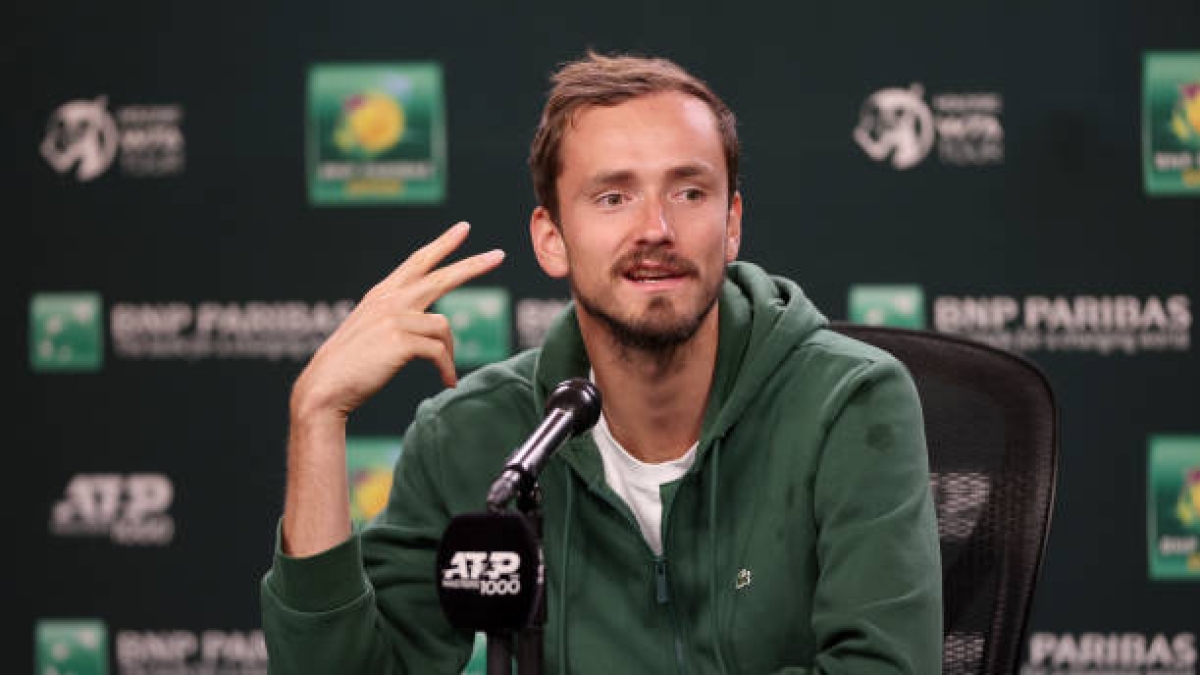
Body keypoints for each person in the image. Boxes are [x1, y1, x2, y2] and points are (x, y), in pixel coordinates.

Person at [261, 51, 942, 674]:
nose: (655, 228)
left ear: (732, 224)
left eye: (689, 192)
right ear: (552, 239)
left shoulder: (849, 402)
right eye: (613, 197)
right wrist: (315, 415)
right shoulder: (470, 437)